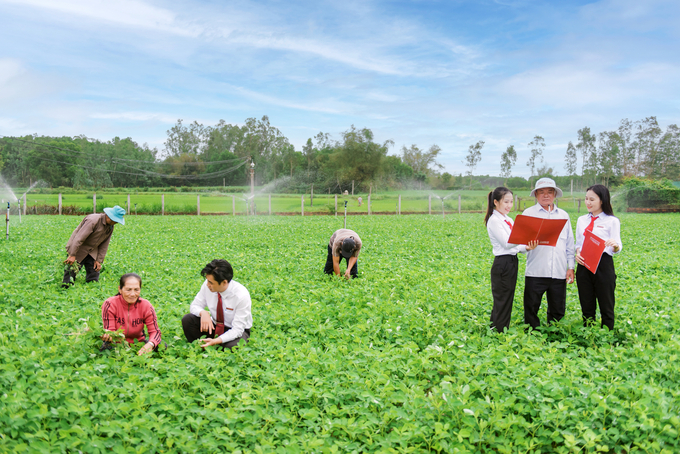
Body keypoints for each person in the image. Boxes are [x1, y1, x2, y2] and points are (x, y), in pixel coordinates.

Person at [522, 178, 575, 329]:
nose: (546, 195)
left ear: (555, 194)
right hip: (536, 270)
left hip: (558, 271)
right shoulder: (528, 213)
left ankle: (555, 333)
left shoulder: (563, 215)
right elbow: (519, 240)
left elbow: (569, 244)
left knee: (558, 308)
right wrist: (527, 245)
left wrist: (570, 267)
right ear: (536, 195)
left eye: (550, 192)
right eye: (542, 192)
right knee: (531, 307)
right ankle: (531, 333)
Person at [485, 187, 538, 332]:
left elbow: (515, 246)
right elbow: (507, 243)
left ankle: (495, 328)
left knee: (506, 297)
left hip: (511, 261)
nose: (509, 205)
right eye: (506, 202)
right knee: (502, 299)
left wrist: (526, 247)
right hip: (502, 263)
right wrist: (525, 235)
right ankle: (499, 331)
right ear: (496, 202)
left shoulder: (508, 219)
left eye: (511, 202)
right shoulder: (494, 220)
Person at [575, 184, 622, 330]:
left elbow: (618, 246)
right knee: (586, 303)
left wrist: (614, 245)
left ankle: (607, 335)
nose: (588, 202)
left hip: (603, 264)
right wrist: (577, 254)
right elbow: (578, 243)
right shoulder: (581, 220)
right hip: (584, 265)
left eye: (592, 199)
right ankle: (588, 333)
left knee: (606, 303)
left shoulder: (612, 221)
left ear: (602, 200)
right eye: (586, 199)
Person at [182, 259, 252, 350]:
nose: (207, 285)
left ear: (224, 282)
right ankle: (202, 345)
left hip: (233, 329)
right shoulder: (207, 286)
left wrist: (216, 341)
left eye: (211, 282)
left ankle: (214, 345)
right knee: (188, 320)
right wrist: (203, 313)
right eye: (207, 280)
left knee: (233, 346)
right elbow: (195, 305)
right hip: (214, 325)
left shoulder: (241, 295)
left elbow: (237, 329)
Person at [62, 205, 126, 288]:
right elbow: (79, 238)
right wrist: (72, 254)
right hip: (79, 248)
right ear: (109, 217)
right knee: (71, 273)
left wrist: (98, 260)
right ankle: (66, 289)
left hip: (92, 250)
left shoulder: (110, 226)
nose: (116, 223)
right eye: (116, 221)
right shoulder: (93, 220)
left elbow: (104, 244)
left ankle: (91, 289)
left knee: (94, 272)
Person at [101, 273, 162, 355]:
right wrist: (108, 334)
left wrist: (150, 344)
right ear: (120, 289)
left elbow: (155, 332)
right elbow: (110, 330)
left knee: (161, 345)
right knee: (107, 350)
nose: (133, 294)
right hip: (116, 344)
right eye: (128, 290)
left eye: (136, 290)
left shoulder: (146, 306)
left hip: (138, 343)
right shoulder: (110, 304)